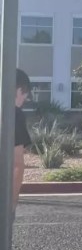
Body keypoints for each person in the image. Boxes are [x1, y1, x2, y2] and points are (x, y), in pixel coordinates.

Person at [11, 69, 32, 208]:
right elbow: (17, 164)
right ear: (19, 90)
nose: (25, 99)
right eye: (25, 93)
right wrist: (11, 203)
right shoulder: (15, 115)